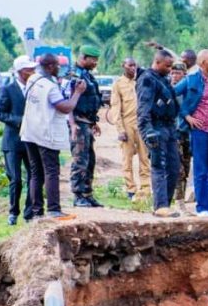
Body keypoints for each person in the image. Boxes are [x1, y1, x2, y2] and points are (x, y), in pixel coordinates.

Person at [20, 53, 87, 218]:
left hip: (30, 132)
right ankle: (54, 210)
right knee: (51, 171)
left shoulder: (32, 79)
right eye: (57, 65)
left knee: (36, 173)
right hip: (45, 134)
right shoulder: (50, 87)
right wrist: (77, 93)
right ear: (50, 66)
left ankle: (37, 212)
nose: (60, 68)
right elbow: (65, 107)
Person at [174, 49, 208, 217]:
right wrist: (186, 115)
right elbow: (173, 94)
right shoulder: (190, 80)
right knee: (201, 170)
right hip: (200, 131)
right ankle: (202, 207)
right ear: (203, 63)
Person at [137, 50, 181, 218]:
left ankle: (166, 205)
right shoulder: (147, 79)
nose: (170, 69)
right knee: (159, 165)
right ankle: (160, 206)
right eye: (168, 66)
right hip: (155, 127)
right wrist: (148, 131)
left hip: (169, 128)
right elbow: (143, 108)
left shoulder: (162, 79)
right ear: (157, 62)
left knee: (174, 167)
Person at [0, 56, 36, 225]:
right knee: (16, 179)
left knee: (34, 176)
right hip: (12, 142)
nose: (32, 72)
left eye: (33, 69)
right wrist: (18, 120)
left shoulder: (35, 88)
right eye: (29, 70)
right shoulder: (8, 89)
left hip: (31, 140)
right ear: (20, 72)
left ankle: (29, 212)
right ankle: (13, 213)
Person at [68, 45, 104, 208]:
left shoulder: (87, 75)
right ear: (83, 58)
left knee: (90, 160)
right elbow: (68, 101)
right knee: (80, 159)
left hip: (87, 122)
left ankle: (87, 193)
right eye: (93, 59)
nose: (95, 62)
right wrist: (73, 123)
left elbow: (90, 100)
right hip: (78, 122)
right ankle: (78, 194)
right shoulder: (74, 75)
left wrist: (94, 122)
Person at [110, 57, 151, 201]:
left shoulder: (141, 81)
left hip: (142, 124)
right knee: (127, 159)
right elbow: (116, 107)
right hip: (127, 124)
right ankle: (130, 189)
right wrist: (120, 129)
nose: (133, 68)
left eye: (135, 65)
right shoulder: (118, 84)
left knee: (144, 158)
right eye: (130, 65)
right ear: (123, 66)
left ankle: (145, 189)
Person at [168, 63, 191, 211]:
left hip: (187, 133)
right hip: (173, 133)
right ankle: (179, 203)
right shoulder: (168, 90)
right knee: (178, 170)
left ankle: (179, 199)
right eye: (173, 73)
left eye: (178, 73)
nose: (175, 76)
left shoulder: (188, 90)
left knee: (186, 168)